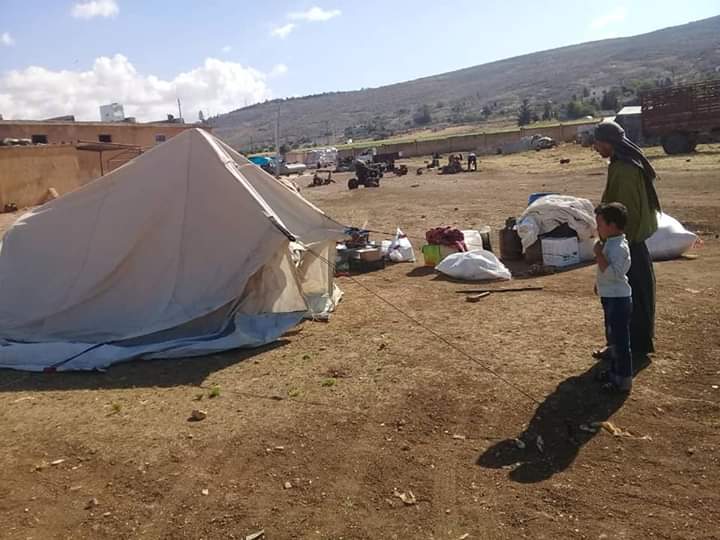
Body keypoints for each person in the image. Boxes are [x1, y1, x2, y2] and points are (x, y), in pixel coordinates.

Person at [593, 121, 660, 368]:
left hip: (626, 244)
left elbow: (626, 214)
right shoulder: (621, 165)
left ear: (608, 142)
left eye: (597, 142)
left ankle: (632, 348)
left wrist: (612, 248)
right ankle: (618, 345)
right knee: (618, 297)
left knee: (626, 299)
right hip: (622, 241)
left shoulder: (626, 169)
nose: (595, 147)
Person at [594, 203, 633, 393]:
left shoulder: (619, 247)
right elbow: (605, 274)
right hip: (609, 296)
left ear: (612, 225)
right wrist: (599, 285)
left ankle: (623, 380)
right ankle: (614, 373)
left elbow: (613, 273)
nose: (597, 228)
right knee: (613, 338)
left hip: (618, 299)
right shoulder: (610, 242)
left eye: (600, 224)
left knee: (620, 341)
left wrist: (599, 254)